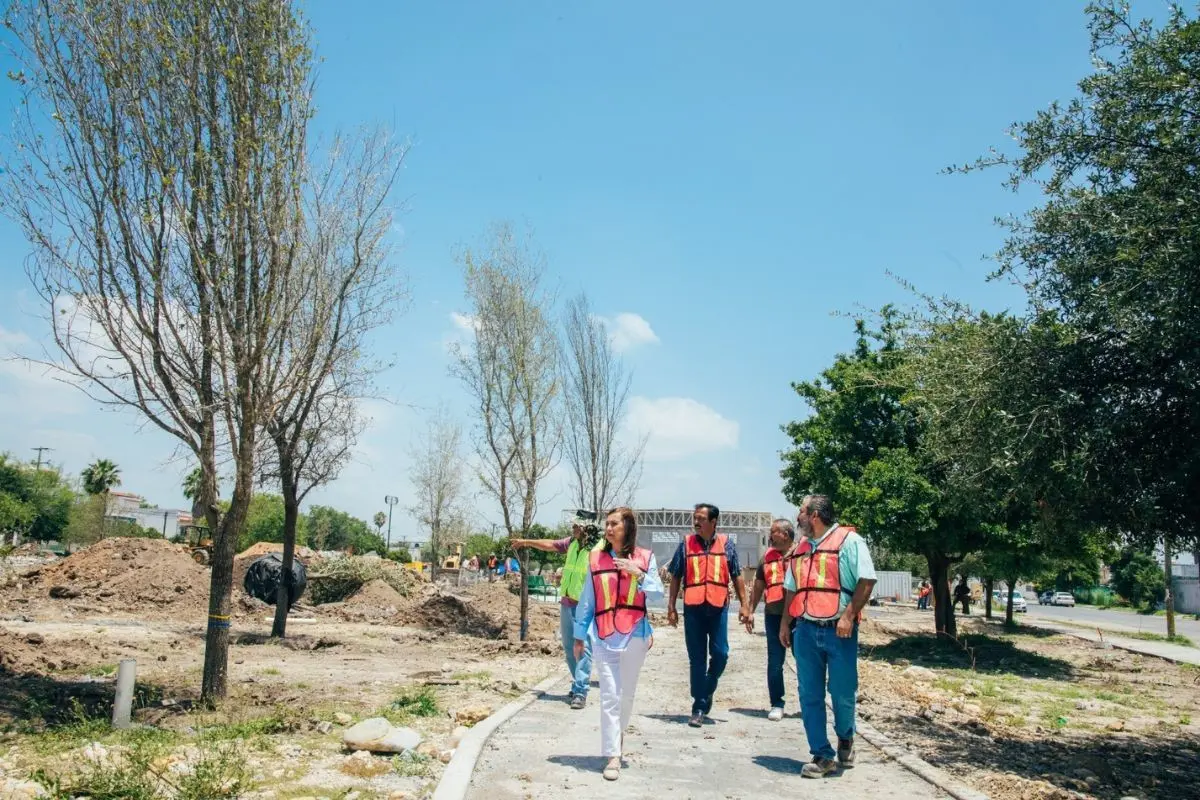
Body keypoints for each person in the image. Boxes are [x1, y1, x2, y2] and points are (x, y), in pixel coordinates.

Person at [780, 494, 876, 779]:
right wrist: (785, 623)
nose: (797, 517)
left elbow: (867, 580)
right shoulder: (801, 548)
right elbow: (791, 588)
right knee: (809, 693)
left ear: (814, 516)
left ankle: (845, 737)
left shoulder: (850, 542)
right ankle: (822, 755)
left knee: (842, 691)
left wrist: (848, 616)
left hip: (839, 630)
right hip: (806, 629)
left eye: (801, 512)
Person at [573, 506, 663, 781]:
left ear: (628, 528)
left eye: (614, 524)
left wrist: (638, 573)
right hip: (603, 635)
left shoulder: (645, 558)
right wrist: (579, 635)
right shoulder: (595, 558)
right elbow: (587, 599)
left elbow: (657, 595)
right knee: (610, 695)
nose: (608, 528)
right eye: (607, 524)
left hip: (635, 634)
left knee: (626, 695)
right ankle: (613, 754)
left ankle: (619, 737)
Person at [666, 502, 750, 727]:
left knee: (721, 654)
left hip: (718, 607)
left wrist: (745, 605)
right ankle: (699, 706)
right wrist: (672, 606)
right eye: (695, 518)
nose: (696, 522)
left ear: (714, 522)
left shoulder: (727, 545)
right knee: (696, 658)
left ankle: (708, 687)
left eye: (701, 518)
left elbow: (737, 575)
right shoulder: (685, 545)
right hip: (693, 608)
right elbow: (675, 576)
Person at [511, 510, 604, 709]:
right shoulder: (571, 543)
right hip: (567, 602)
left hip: (586, 604)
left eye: (576, 526)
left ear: (587, 528)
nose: (573, 528)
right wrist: (526, 542)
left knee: (582, 647)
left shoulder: (599, 547)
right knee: (569, 647)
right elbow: (551, 545)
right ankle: (577, 682)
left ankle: (580, 690)